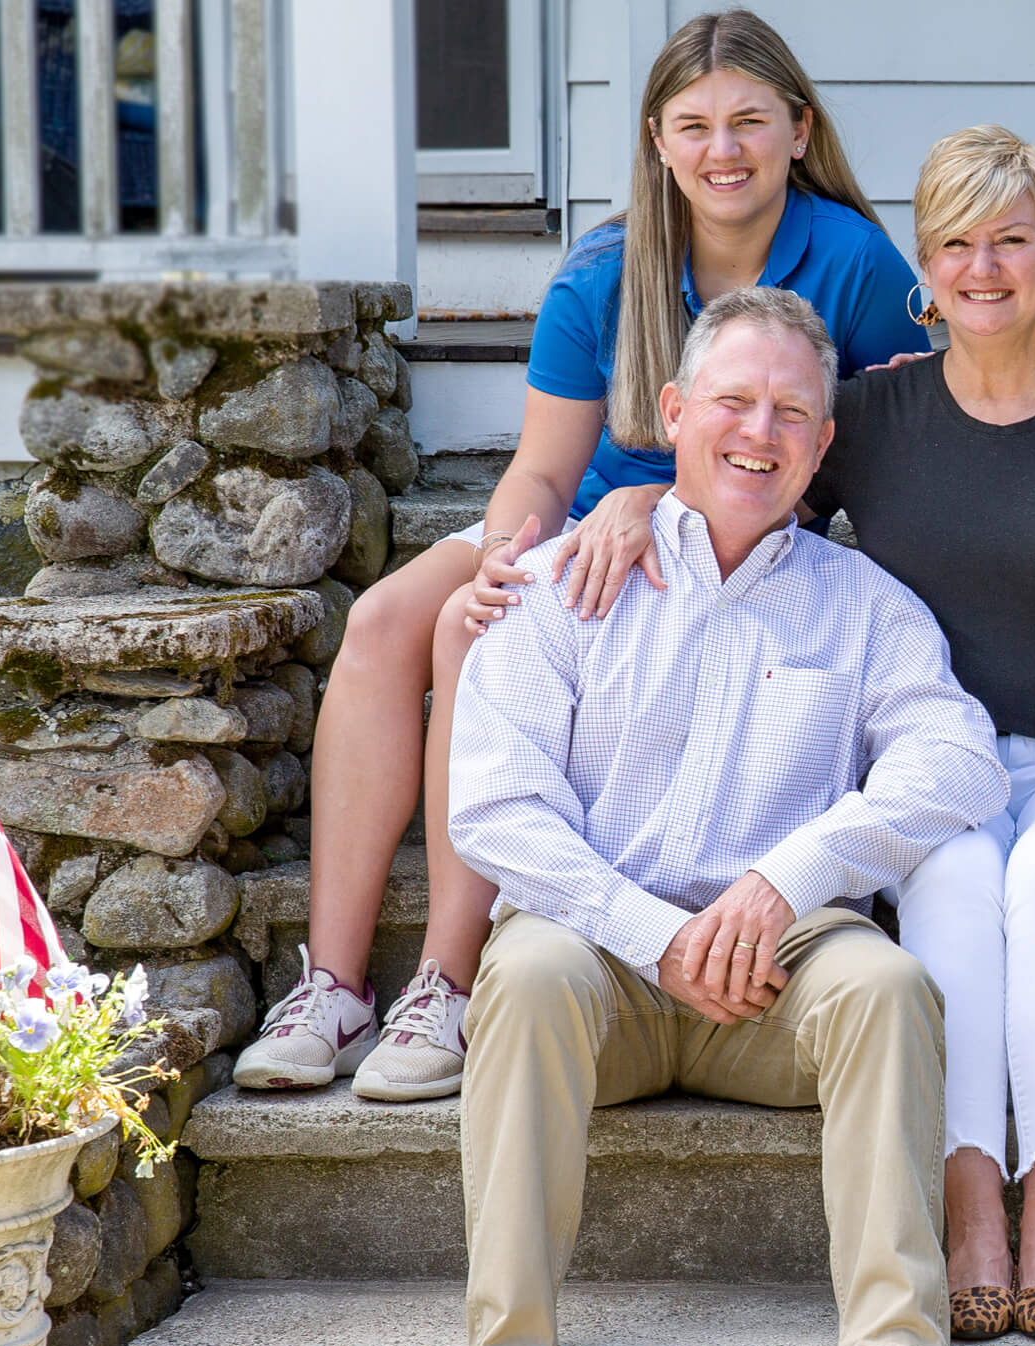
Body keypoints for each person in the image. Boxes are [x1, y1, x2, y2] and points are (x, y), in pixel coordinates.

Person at [510, 128, 1035, 1343]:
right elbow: (744, 478)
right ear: (921, 264)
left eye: (1012, 240)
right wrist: (628, 495)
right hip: (934, 768)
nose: (985, 269)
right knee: (959, 877)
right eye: (956, 244)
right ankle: (971, 1203)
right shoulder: (870, 415)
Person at [232, 8, 925, 1102]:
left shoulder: (855, 263)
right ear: (655, 139)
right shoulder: (606, 265)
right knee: (388, 622)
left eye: (749, 122)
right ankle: (332, 982)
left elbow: (842, 464)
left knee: (481, 646)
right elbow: (545, 472)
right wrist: (508, 558)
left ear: (799, 130)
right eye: (693, 125)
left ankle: (449, 984)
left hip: (726, 528)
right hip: (581, 526)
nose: (722, 150)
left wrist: (660, 498)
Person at [447, 288, 1006, 1346]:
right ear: (676, 416)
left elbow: (958, 761)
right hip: (602, 964)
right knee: (520, 971)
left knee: (889, 986)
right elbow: (493, 806)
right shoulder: (563, 581)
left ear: (821, 447)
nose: (761, 432)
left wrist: (785, 878)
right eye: (736, 403)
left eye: (793, 414)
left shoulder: (864, 608)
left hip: (780, 977)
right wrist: (653, 931)